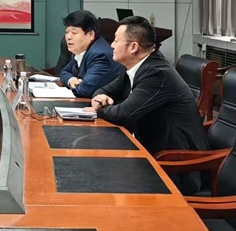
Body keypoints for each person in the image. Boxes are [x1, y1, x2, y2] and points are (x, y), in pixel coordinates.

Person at [85, 16, 208, 195]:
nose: (111, 45)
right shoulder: (135, 66)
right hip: (150, 150)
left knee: (98, 178)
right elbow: (103, 90)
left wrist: (100, 108)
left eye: (116, 40)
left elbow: (123, 115)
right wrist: (100, 98)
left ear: (133, 47)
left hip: (176, 167)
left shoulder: (157, 74)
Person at [58, 10, 122, 98]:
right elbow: (64, 72)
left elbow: (85, 90)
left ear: (91, 34)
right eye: (67, 32)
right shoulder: (81, 49)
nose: (68, 37)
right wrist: (71, 80)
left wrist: (75, 85)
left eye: (74, 33)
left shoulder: (99, 55)